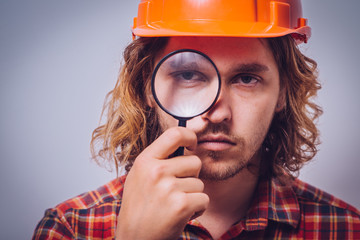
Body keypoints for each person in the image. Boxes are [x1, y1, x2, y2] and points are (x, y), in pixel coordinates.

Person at [32, 0, 360, 239]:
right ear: (148, 87)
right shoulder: (71, 228)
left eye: (246, 79)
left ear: (283, 93)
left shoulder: (346, 229)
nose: (217, 112)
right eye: (189, 75)